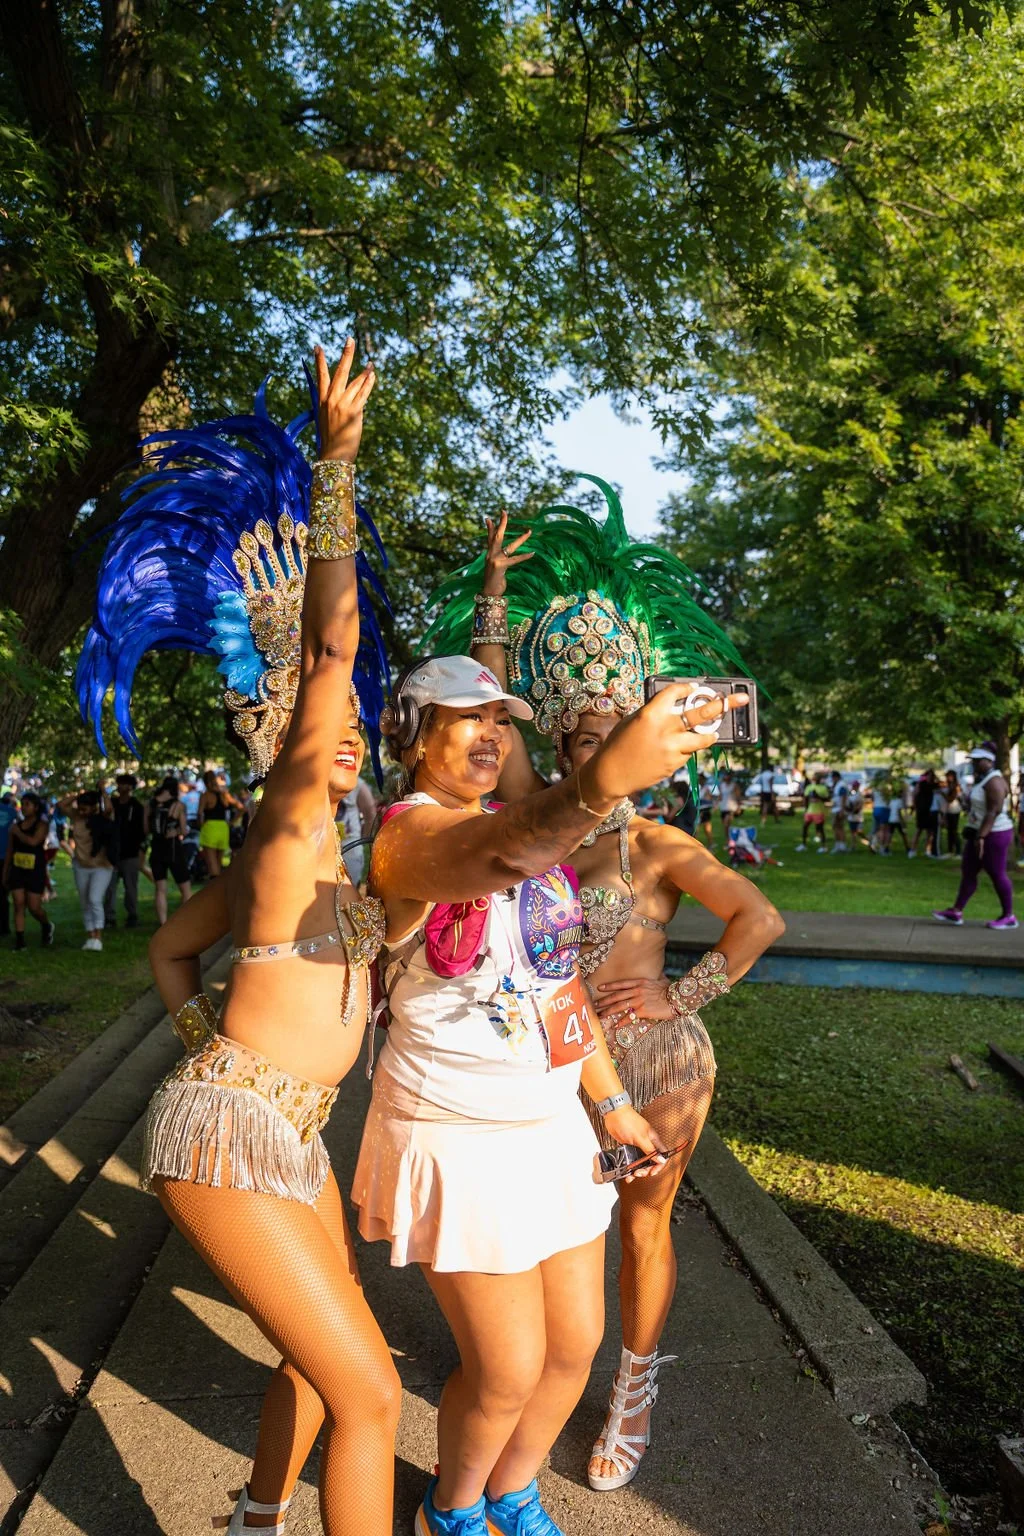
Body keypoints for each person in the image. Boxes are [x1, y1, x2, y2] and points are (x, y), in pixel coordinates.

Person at [77, 343, 399, 1534]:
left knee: (331, 1354)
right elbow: (327, 649)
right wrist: (338, 462)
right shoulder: (289, 811)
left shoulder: (295, 862)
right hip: (234, 1126)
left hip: (282, 1122)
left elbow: (168, 946)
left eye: (362, 722)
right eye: (333, 720)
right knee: (373, 1394)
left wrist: (206, 1033)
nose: (353, 726)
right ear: (282, 738)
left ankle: (258, 1517)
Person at [422, 494, 783, 1502]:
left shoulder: (658, 845)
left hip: (650, 1059)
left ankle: (632, 1389)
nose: (589, 753)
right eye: (572, 740)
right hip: (543, 1061)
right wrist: (492, 591)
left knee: (640, 1230)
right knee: (551, 1231)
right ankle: (530, 1370)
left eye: (606, 734)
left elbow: (758, 920)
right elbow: (495, 706)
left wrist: (683, 998)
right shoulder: (538, 827)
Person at [933, 744, 1017, 930]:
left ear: (989, 762)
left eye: (979, 761)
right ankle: (956, 911)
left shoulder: (994, 781)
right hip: (979, 832)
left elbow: (993, 811)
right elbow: (978, 808)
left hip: (994, 833)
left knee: (997, 873)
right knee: (969, 871)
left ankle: (1009, 916)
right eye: (974, 761)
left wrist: (981, 837)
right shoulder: (982, 779)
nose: (975, 764)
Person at [58, 786, 115, 950]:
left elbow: (109, 808)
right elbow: (61, 805)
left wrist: (103, 792)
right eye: (80, 808)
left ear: (94, 807)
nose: (82, 812)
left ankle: (98, 936)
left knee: (95, 899)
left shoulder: (102, 818)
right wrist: (78, 795)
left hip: (101, 866)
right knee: (85, 902)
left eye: (85, 808)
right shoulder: (76, 817)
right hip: (81, 865)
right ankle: (90, 935)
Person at [2, 792, 55, 949]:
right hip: (17, 868)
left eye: (27, 804)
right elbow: (10, 850)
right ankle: (20, 941)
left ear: (36, 807)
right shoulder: (16, 826)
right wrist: (5, 872)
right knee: (18, 903)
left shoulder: (41, 825)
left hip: (34, 869)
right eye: (22, 804)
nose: (23, 808)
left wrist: (18, 832)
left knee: (34, 907)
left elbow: (33, 842)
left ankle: (46, 925)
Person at [146, 776, 194, 924]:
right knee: (185, 888)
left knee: (160, 889)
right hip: (173, 849)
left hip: (156, 848)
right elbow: (184, 830)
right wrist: (177, 831)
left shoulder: (150, 804)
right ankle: (186, 922)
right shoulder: (177, 805)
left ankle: (163, 923)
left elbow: (145, 829)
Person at [104, 772, 146, 928]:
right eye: (120, 783)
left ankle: (132, 915)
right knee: (110, 888)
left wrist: (140, 848)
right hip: (113, 852)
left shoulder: (136, 806)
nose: (122, 787)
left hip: (130, 852)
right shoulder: (112, 804)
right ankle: (109, 917)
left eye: (125, 784)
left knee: (131, 887)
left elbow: (141, 830)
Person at [198, 769, 241, 878]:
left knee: (212, 866)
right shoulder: (224, 794)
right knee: (219, 862)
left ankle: (214, 890)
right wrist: (232, 822)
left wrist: (200, 824)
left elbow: (199, 813)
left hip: (210, 827)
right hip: (223, 828)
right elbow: (242, 808)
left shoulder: (205, 795)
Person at [336, 775, 376, 887]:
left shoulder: (356, 783)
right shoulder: (356, 782)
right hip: (350, 848)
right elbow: (370, 812)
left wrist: (363, 838)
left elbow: (370, 812)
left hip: (349, 850)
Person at [796, 771, 830, 852]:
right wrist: (805, 808)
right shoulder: (809, 787)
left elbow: (827, 799)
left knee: (820, 829)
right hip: (810, 811)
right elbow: (806, 798)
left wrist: (818, 796)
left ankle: (823, 846)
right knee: (805, 827)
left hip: (819, 811)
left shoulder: (823, 788)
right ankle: (803, 844)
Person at [0, 790, 18, 937]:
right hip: (6, 856)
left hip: (5, 855)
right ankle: (4, 927)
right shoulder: (13, 813)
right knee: (3, 894)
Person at [910, 768, 937, 858]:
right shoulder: (921, 784)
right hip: (922, 810)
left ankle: (927, 850)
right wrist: (915, 806)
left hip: (929, 810)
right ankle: (913, 850)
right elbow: (914, 794)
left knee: (930, 832)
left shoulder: (933, 785)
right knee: (919, 830)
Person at [942, 769, 963, 858]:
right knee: (949, 831)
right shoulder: (949, 785)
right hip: (948, 810)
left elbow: (950, 799)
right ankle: (950, 850)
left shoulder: (956, 786)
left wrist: (943, 795)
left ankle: (958, 851)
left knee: (953, 831)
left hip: (954, 810)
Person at [830, 771, 848, 853]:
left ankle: (840, 845)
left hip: (838, 809)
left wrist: (842, 810)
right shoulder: (838, 785)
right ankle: (840, 845)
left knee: (838, 827)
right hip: (837, 808)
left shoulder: (841, 785)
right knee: (837, 827)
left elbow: (843, 797)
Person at [696, 772, 715, 850]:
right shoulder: (699, 788)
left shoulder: (706, 788)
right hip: (699, 810)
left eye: (700, 779)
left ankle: (711, 844)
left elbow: (708, 800)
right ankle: (695, 845)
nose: (699, 780)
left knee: (707, 829)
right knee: (697, 829)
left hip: (704, 811)